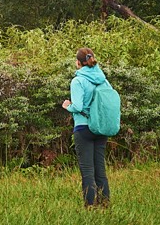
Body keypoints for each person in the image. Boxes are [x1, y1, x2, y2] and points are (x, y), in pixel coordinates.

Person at [61, 47, 111, 208]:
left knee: (87, 171)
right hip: (101, 127)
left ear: (78, 63)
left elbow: (78, 106)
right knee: (100, 170)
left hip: (84, 128)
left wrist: (68, 106)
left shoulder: (78, 81)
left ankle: (90, 207)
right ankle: (104, 206)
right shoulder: (103, 79)